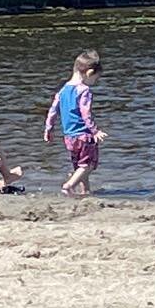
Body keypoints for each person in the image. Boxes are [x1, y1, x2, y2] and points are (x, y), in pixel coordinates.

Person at [44, 49, 109, 197]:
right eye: (95, 79)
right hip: (84, 135)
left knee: (80, 166)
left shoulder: (62, 90)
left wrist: (49, 128)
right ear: (89, 73)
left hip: (69, 137)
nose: (94, 82)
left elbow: (53, 111)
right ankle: (68, 185)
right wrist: (95, 131)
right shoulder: (84, 90)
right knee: (88, 165)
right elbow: (86, 113)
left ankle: (85, 191)